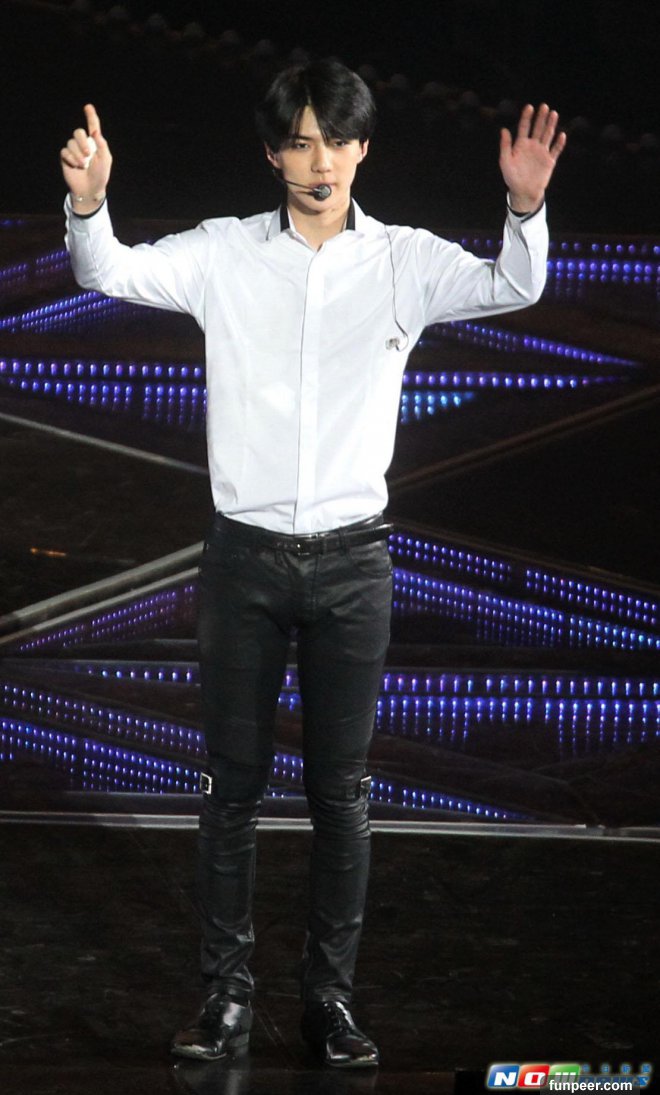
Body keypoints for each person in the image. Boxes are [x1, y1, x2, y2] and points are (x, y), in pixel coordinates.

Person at [60, 60, 565, 1069]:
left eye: (336, 140)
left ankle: (329, 1002)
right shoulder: (224, 253)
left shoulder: (405, 260)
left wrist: (524, 208)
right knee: (231, 790)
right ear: (271, 154)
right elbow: (104, 270)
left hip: (352, 566)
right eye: (299, 142)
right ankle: (225, 997)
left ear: (363, 148)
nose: (319, 160)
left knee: (343, 795)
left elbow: (515, 284)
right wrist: (89, 204)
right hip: (242, 563)